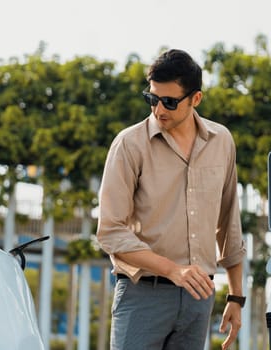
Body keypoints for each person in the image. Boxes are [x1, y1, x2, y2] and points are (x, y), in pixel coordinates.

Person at [96, 48, 246, 350]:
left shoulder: (222, 142)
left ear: (196, 99)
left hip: (198, 299)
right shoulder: (129, 145)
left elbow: (228, 221)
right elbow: (110, 232)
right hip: (143, 296)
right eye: (153, 99)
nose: (159, 110)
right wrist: (172, 270)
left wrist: (236, 295)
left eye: (169, 102)